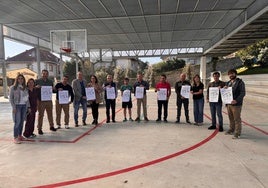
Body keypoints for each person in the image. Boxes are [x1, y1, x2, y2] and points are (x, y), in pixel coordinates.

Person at [225, 69, 246, 139]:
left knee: (237, 118)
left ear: (235, 74)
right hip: (229, 103)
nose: (231, 75)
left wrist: (236, 100)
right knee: (231, 118)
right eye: (229, 74)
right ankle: (231, 129)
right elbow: (226, 92)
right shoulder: (228, 83)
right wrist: (224, 89)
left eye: (232, 73)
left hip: (236, 104)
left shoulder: (240, 82)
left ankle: (237, 133)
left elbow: (243, 93)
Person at [9, 74, 30, 144]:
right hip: (17, 106)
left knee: (21, 122)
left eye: (22, 78)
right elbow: (11, 99)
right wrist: (14, 107)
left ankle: (20, 136)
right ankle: (15, 137)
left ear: (23, 80)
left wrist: (28, 107)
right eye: (19, 78)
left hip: (24, 106)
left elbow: (27, 99)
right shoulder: (13, 88)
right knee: (17, 122)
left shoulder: (25, 88)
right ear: (17, 80)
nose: (20, 80)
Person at [35, 69, 57, 135]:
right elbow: (32, 88)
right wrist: (36, 87)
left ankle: (51, 126)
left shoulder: (50, 81)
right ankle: (39, 129)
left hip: (49, 100)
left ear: (48, 74)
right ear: (41, 74)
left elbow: (53, 91)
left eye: (46, 74)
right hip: (41, 100)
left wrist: (54, 89)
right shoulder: (37, 81)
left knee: (50, 114)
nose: (45, 75)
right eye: (43, 73)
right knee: (41, 115)